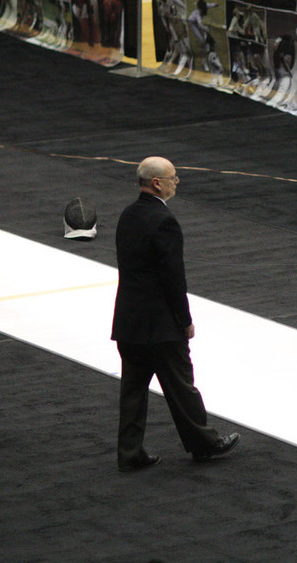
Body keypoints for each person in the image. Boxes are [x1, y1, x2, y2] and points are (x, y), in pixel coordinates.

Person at [111, 157, 240, 471]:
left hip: (129, 320)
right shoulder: (164, 221)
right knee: (182, 386)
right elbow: (172, 278)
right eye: (173, 177)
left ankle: (130, 453)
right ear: (157, 182)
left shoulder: (128, 215)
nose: (177, 181)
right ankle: (204, 443)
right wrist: (185, 320)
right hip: (160, 324)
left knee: (133, 390)